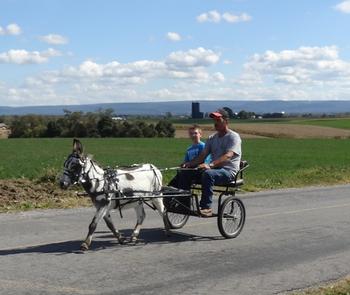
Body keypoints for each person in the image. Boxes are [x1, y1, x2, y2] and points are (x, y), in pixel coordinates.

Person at [178, 109, 242, 217]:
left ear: (226, 121)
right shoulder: (212, 138)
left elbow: (228, 155)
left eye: (218, 119)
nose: (215, 122)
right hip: (215, 170)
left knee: (208, 174)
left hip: (228, 171)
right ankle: (183, 203)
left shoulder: (233, 137)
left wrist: (210, 165)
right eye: (214, 120)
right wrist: (189, 164)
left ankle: (206, 207)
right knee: (185, 172)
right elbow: (202, 155)